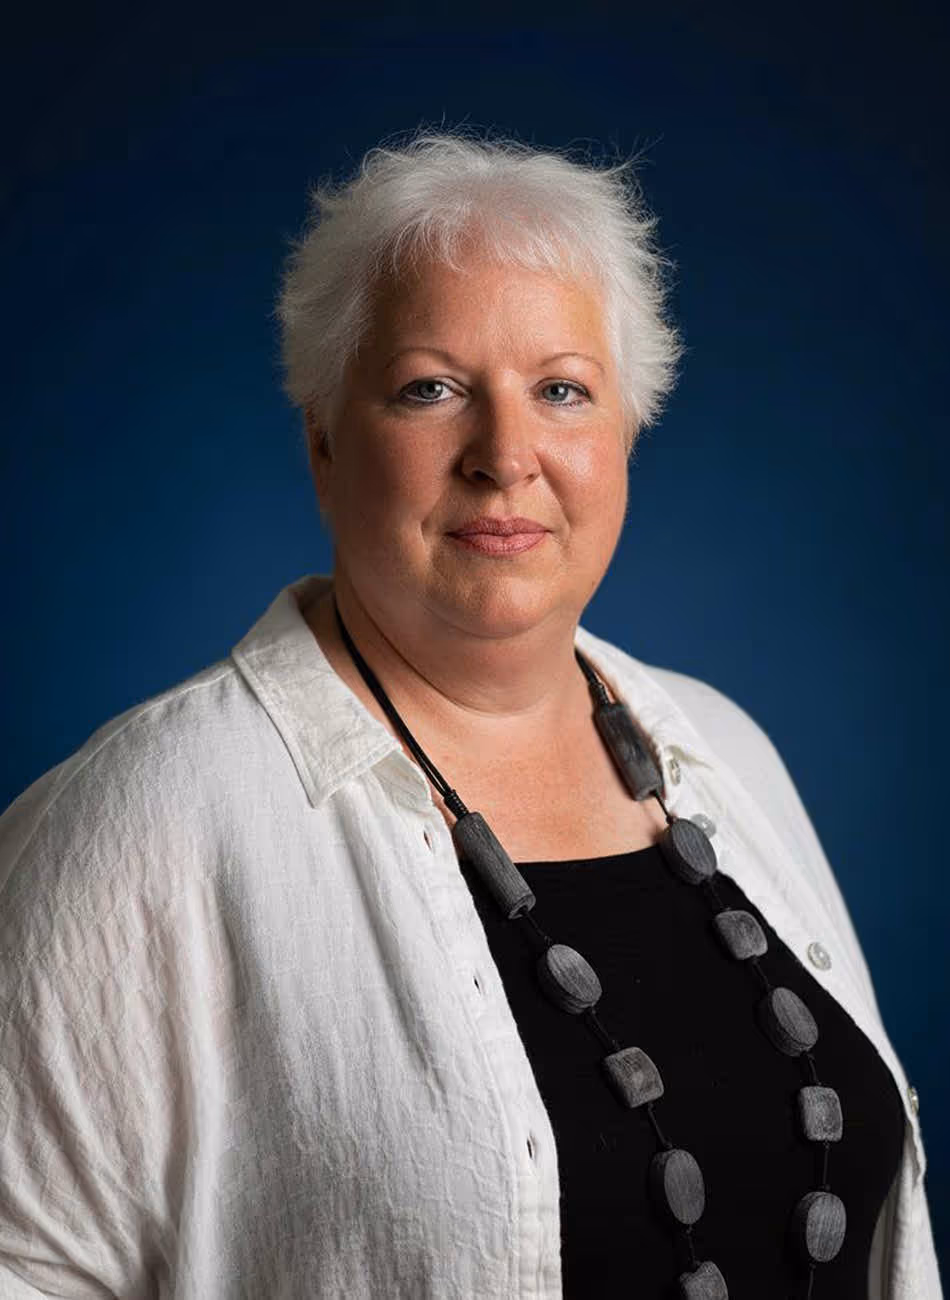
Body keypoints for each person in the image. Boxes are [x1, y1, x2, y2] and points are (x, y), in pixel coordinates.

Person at [0, 127, 941, 1300]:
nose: (506, 454)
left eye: (559, 389)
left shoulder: (720, 751)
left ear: (623, 433)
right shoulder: (141, 822)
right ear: (323, 442)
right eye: (430, 388)